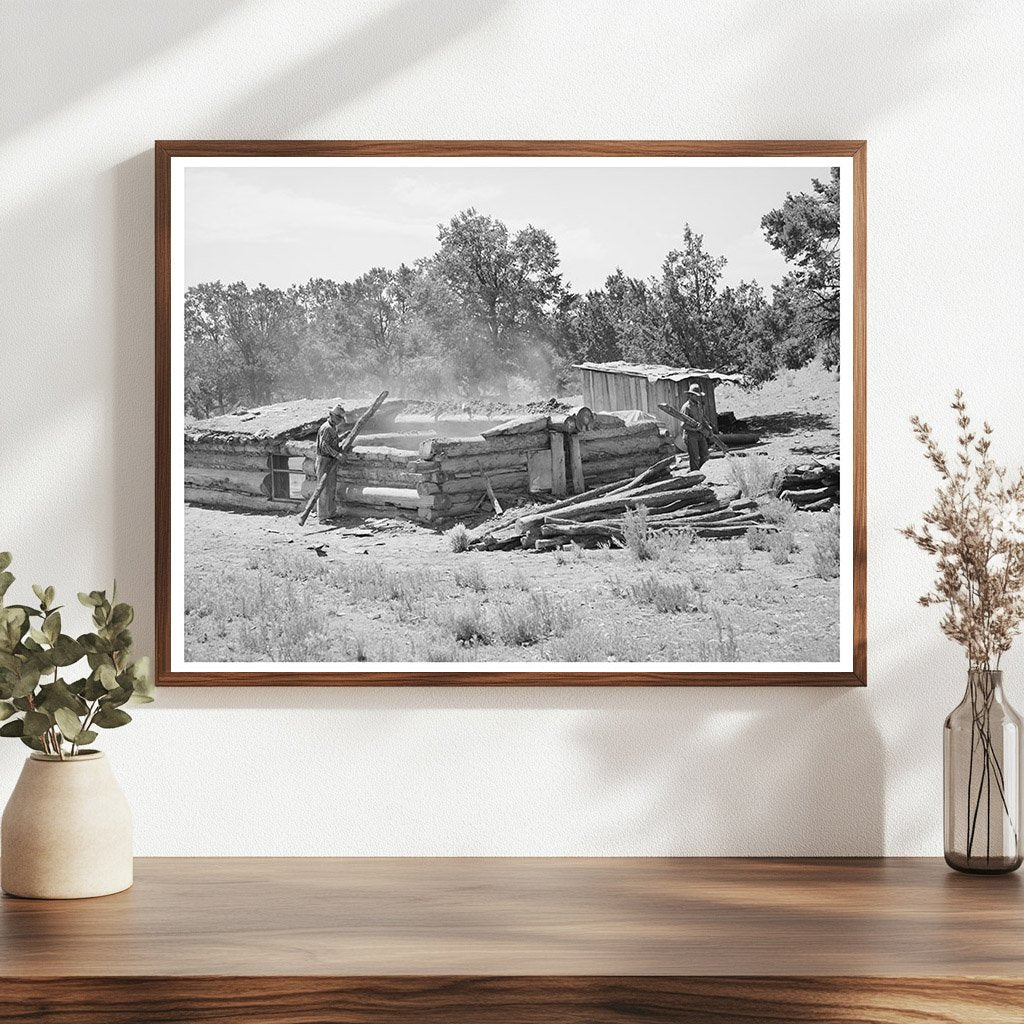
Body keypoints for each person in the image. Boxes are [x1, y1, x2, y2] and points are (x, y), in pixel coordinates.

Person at [316, 403, 347, 521]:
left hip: (331, 459)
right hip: (324, 459)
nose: (339, 421)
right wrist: (337, 454)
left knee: (331, 486)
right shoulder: (326, 428)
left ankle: (331, 513)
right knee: (323, 488)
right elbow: (324, 446)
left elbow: (332, 441)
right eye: (338, 418)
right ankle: (323, 516)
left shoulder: (333, 427)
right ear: (331, 416)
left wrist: (342, 437)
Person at [679, 383, 711, 471]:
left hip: (700, 434)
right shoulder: (686, 407)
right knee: (694, 458)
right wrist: (694, 429)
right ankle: (694, 474)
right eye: (695, 395)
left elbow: (702, 418)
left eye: (698, 396)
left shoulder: (698, 405)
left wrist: (708, 427)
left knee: (705, 455)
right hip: (691, 435)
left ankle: (695, 471)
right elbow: (683, 425)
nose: (697, 397)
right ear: (691, 395)